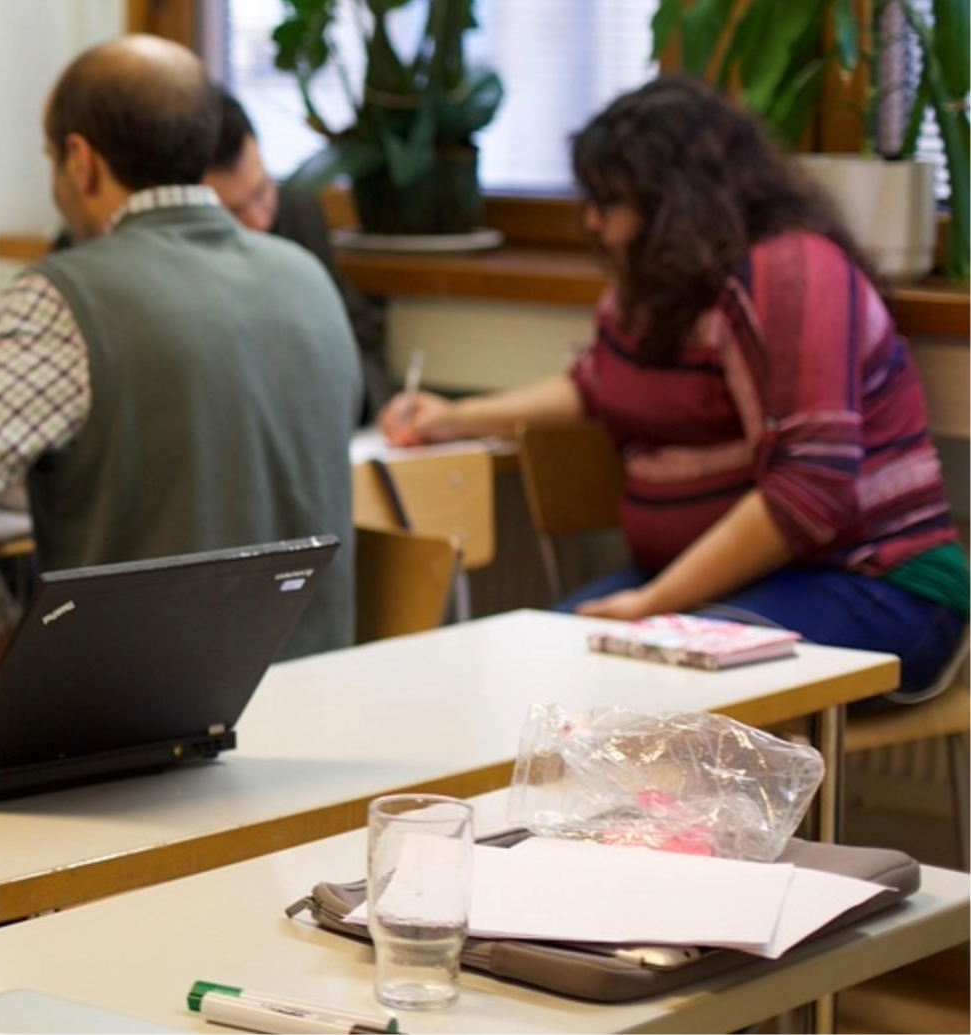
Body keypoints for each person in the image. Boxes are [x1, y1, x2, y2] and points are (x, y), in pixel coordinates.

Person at [384, 75, 965, 697]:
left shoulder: (794, 273)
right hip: (716, 584)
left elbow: (810, 492)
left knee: (627, 686)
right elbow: (595, 386)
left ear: (674, 201)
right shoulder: (661, 285)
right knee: (524, 675)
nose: (593, 222)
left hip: (871, 582)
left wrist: (652, 602)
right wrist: (454, 418)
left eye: (609, 204)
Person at [0, 35, 360, 659]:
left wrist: (2, 643)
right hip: (324, 696)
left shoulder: (62, 302)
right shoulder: (306, 278)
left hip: (148, 727)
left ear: (80, 161)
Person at [203, 88, 393, 424]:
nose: (259, 219)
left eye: (262, 191)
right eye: (233, 211)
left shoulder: (297, 212)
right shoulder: (180, 255)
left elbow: (358, 337)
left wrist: (357, 402)